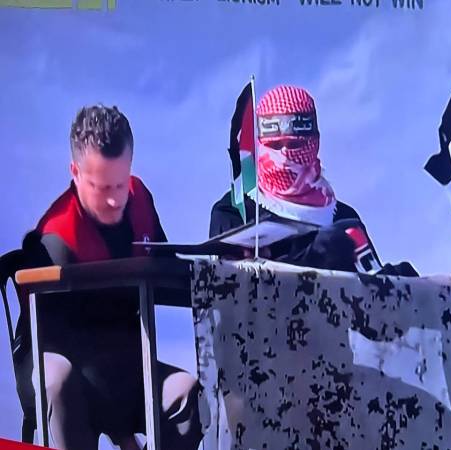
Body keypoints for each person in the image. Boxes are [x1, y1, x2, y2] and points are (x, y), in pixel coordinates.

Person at [16, 105, 203, 450]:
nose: (116, 199)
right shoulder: (55, 241)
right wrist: (124, 435)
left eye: (121, 183)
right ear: (75, 172)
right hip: (66, 363)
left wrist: (216, 276)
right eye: (101, 187)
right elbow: (60, 341)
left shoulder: (139, 197)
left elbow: (166, 267)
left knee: (186, 393)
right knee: (57, 379)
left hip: (125, 358)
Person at [210, 85, 369, 272]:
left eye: (294, 145)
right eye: (275, 146)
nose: (284, 158)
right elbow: (229, 283)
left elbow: (375, 283)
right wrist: (315, 257)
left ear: (314, 143)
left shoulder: (344, 217)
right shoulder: (235, 211)